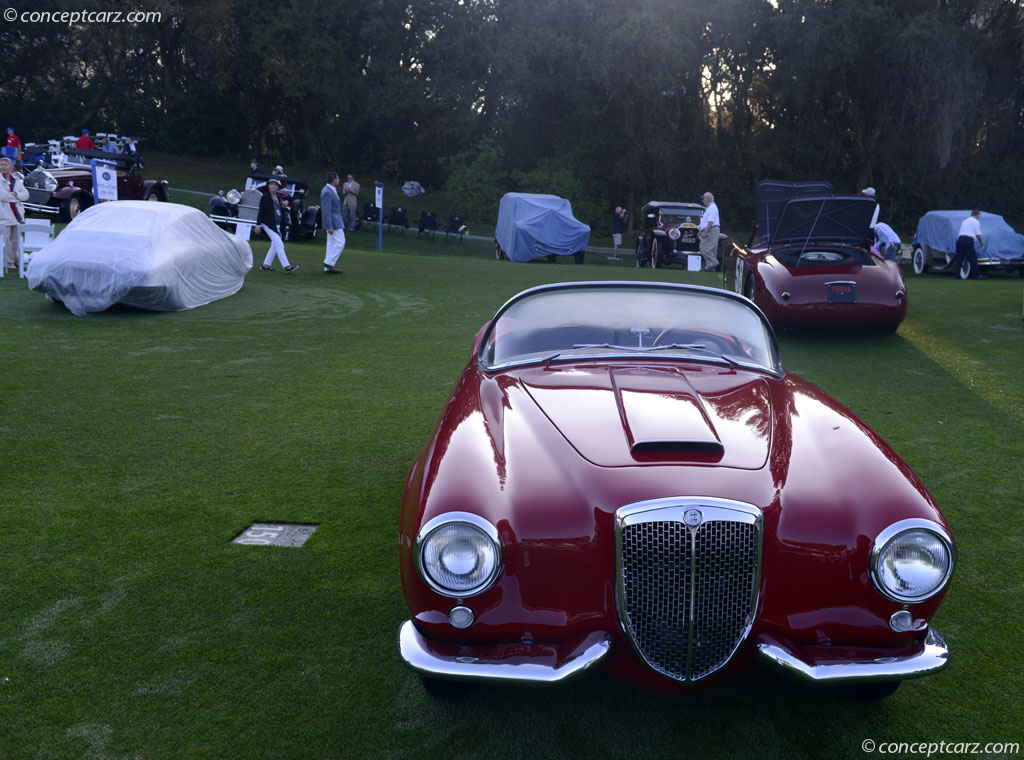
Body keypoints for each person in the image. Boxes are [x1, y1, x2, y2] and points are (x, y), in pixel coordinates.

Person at [255, 178, 299, 273]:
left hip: (278, 224)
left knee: (274, 245)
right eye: (272, 184)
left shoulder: (278, 197)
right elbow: (261, 211)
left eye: (275, 185)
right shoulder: (265, 197)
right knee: (279, 244)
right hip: (268, 224)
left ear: (278, 187)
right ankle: (287, 267)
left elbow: (283, 207)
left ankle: (265, 266)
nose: (273, 186)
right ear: (268, 186)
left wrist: (285, 204)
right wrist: (258, 225)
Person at [0, 156, 29, 270]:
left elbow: (26, 195)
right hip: (4, 214)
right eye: (1, 165)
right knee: (6, 239)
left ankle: (16, 260)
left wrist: (16, 194)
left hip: (17, 214)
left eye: (5, 165)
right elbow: (2, 195)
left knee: (16, 239)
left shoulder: (16, 180)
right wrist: (17, 197)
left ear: (11, 167)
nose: (3, 167)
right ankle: (8, 262)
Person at [320, 171, 344, 274]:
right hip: (334, 222)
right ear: (333, 180)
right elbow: (326, 210)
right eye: (338, 178)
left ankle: (327, 267)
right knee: (341, 241)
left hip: (335, 221)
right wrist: (329, 226)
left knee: (331, 244)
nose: (339, 180)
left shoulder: (330, 190)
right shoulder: (327, 191)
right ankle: (329, 262)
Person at [952, 209, 984, 280]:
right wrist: (981, 241)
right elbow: (978, 234)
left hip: (960, 240)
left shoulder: (964, 221)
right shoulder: (976, 222)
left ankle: (957, 275)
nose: (979, 217)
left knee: (959, 258)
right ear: (977, 215)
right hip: (968, 240)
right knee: (973, 258)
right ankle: (976, 275)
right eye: (979, 216)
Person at [697, 191, 721, 271]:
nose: (703, 200)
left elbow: (710, 221)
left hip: (711, 229)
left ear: (708, 199)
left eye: (703, 199)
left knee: (704, 247)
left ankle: (713, 263)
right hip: (712, 229)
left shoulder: (712, 207)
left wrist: (705, 232)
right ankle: (710, 267)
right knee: (712, 249)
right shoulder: (711, 207)